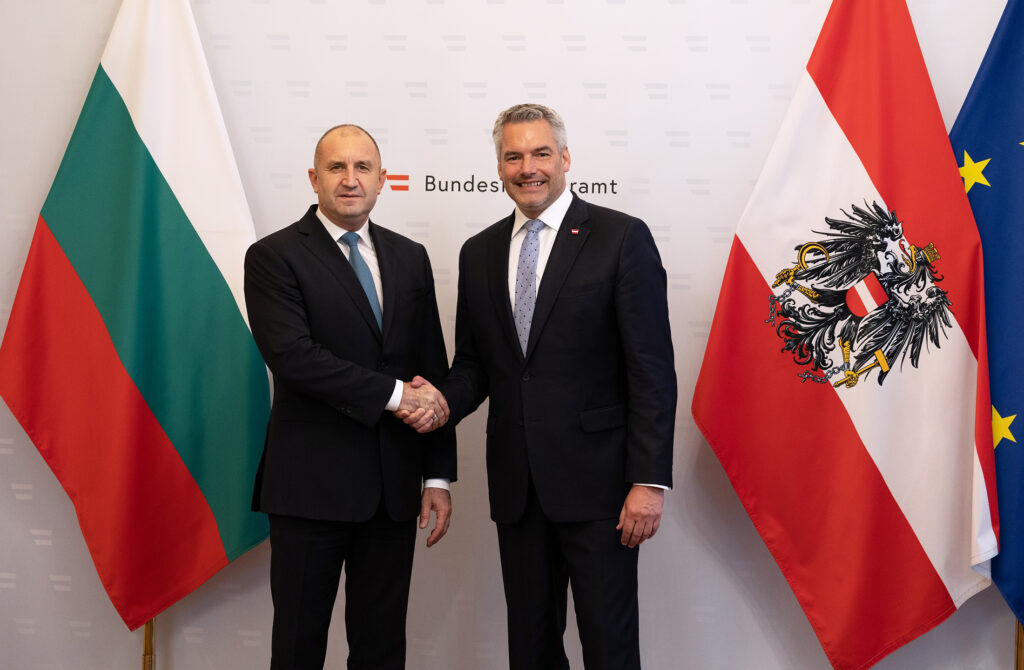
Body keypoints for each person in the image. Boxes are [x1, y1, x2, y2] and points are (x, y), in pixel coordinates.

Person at [409, 103, 676, 669]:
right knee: (530, 650)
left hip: (603, 491)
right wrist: (439, 402)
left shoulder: (621, 237)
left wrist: (648, 480)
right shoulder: (478, 252)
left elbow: (651, 369)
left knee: (609, 647)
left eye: (540, 153)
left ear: (565, 158)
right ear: (499, 167)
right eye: (513, 156)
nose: (527, 167)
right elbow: (475, 366)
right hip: (518, 490)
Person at [244, 124, 455, 670]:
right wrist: (395, 396)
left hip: (392, 491)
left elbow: (430, 371)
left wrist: (436, 476)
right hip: (309, 490)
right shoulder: (273, 256)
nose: (350, 179)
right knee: (298, 647)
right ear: (313, 179)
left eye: (363, 167)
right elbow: (293, 356)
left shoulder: (410, 257)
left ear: (383, 180)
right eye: (336, 167)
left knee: (381, 649)